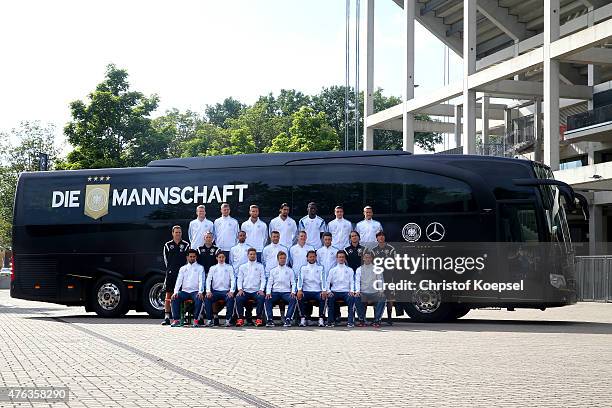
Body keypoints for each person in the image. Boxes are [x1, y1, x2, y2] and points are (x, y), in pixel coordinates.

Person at [161, 226, 190, 325]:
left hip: (182, 275)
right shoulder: (168, 245)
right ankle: (167, 317)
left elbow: (187, 260)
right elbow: (166, 260)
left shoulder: (186, 245)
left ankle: (183, 316)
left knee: (182, 295)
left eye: (179, 232)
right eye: (176, 232)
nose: (178, 234)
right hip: (171, 274)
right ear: (172, 233)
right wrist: (170, 270)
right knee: (169, 294)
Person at [169, 249, 204, 327]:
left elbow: (202, 281)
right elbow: (179, 281)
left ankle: (196, 320)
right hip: (184, 292)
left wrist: (200, 292)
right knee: (174, 298)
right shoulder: (183, 268)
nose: (192, 258)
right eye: (190, 256)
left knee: (199, 298)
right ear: (187, 257)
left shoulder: (200, 268)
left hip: (195, 292)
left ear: (196, 257)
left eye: (194, 257)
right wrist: (175, 292)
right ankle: (176, 320)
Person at [264, 251, 298, 327]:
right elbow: (269, 283)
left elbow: (293, 283)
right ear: (278, 259)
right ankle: (270, 320)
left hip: (286, 292)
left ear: (286, 259)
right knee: (267, 299)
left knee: (293, 299)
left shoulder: (290, 270)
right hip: (275, 292)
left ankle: (288, 319)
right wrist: (268, 292)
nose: (282, 260)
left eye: (284, 258)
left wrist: (293, 292)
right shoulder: (273, 271)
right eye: (281, 258)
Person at [370, 231, 397, 326]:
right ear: (376, 238)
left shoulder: (391, 249)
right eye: (379, 236)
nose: (381, 237)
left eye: (382, 236)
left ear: (384, 237)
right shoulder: (373, 250)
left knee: (390, 297)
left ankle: (389, 317)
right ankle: (376, 317)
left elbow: (394, 263)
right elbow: (372, 264)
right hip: (378, 277)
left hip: (389, 276)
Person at [325, 251, 357, 328]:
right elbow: (327, 282)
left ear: (345, 258)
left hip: (346, 292)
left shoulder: (350, 270)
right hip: (334, 292)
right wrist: (329, 291)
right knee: (330, 298)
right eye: (339, 257)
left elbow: (352, 282)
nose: (341, 258)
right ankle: (330, 321)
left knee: (352, 298)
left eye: (343, 257)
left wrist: (352, 291)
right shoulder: (332, 270)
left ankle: (350, 322)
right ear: (337, 258)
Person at [235, 248, 266, 327]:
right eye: (251, 254)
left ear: (256, 255)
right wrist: (240, 289)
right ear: (248, 255)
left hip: (256, 291)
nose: (252, 256)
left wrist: (261, 289)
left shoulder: (260, 266)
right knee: (238, 298)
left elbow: (263, 279)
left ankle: (259, 319)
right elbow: (239, 280)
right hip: (245, 291)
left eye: (254, 254)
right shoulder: (242, 267)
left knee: (262, 297)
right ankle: (240, 319)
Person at [204, 252, 236, 327]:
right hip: (215, 292)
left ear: (225, 258)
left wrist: (231, 291)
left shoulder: (229, 267)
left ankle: (228, 320)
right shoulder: (213, 268)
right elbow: (208, 280)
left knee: (231, 298)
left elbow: (233, 280)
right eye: (219, 257)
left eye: (223, 257)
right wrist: (208, 291)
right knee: (207, 298)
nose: (221, 259)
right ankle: (209, 320)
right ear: (217, 258)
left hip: (226, 292)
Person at [355, 251, 385, 328]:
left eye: (369, 257)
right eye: (366, 257)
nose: (367, 259)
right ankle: (362, 320)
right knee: (357, 297)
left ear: (371, 258)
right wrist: (357, 291)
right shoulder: (359, 269)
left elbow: (380, 280)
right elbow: (357, 281)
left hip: (374, 293)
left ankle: (377, 320)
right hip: (363, 293)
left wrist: (381, 291)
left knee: (382, 297)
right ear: (363, 258)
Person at [296, 251, 327, 327]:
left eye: (313, 256)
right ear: (307, 258)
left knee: (324, 297)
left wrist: (324, 290)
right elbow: (300, 280)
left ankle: (321, 318)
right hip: (306, 291)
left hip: (317, 291)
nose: (312, 258)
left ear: (316, 257)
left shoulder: (320, 268)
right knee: (299, 297)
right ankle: (303, 318)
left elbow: (323, 280)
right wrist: (299, 289)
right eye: (310, 257)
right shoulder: (303, 268)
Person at [317, 232, 339, 323]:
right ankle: (322, 317)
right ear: (323, 240)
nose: (327, 241)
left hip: (333, 278)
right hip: (322, 278)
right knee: (323, 297)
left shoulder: (336, 250)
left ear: (331, 240)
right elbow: (317, 264)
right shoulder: (319, 251)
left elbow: (338, 264)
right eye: (325, 239)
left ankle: (336, 316)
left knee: (333, 296)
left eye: (329, 239)